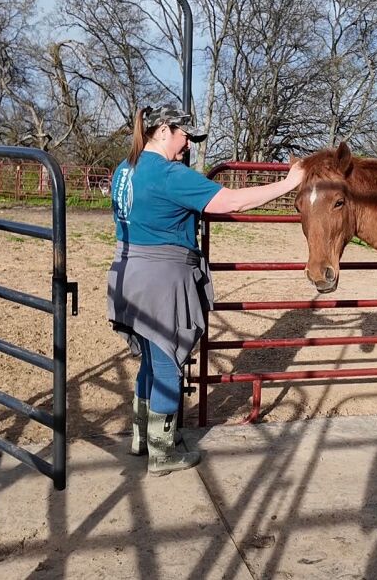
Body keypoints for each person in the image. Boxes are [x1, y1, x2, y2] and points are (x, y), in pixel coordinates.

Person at [108, 104, 305, 475]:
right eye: (185, 137)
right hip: (161, 280)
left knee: (150, 358)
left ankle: (142, 437)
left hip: (127, 275)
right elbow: (232, 201)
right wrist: (289, 183)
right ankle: (162, 452)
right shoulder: (168, 174)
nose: (188, 146)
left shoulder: (124, 169)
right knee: (168, 361)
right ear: (163, 131)